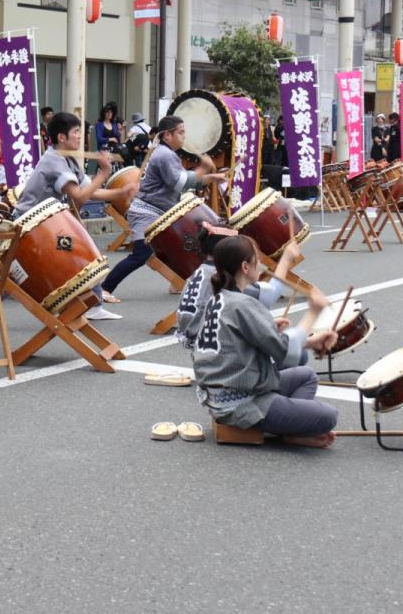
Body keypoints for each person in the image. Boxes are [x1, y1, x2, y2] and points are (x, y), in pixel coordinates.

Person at [192, 235, 339, 448]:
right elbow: (285, 353)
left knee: (306, 376)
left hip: (222, 392)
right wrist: (313, 312)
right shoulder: (243, 304)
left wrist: (304, 339)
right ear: (245, 267)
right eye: (257, 259)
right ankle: (288, 426)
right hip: (240, 403)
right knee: (328, 416)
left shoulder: (219, 298)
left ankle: (292, 427)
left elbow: (246, 338)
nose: (260, 264)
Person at [1, 110, 135, 321]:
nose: (80, 137)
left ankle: (94, 305)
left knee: (86, 254)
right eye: (76, 132)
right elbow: (79, 197)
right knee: (11, 275)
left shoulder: (70, 160)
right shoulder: (54, 161)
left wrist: (120, 193)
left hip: (47, 222)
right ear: (61, 137)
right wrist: (103, 173)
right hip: (27, 224)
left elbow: (92, 191)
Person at [99, 115, 224, 303]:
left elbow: (184, 179)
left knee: (178, 245)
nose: (184, 137)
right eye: (180, 132)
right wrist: (202, 169)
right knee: (142, 254)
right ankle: (105, 288)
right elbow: (180, 183)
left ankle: (179, 282)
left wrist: (211, 178)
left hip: (157, 211)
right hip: (146, 212)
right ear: (167, 135)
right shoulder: (165, 155)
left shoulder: (166, 153)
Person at [177, 224, 316, 353]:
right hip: (210, 343)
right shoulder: (224, 279)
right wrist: (285, 260)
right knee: (296, 353)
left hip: (192, 338)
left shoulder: (202, 270)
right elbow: (270, 294)